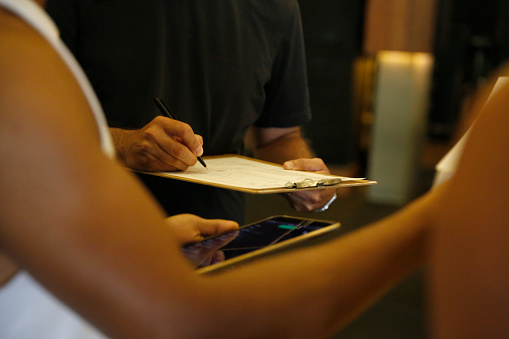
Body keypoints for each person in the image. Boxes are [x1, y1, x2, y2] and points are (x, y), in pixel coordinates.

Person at [1, 1, 508, 338]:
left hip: (199, 243)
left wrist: (298, 175)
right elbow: (183, 319)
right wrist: (444, 215)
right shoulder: (18, 57)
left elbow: (280, 133)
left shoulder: (275, 8)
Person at [44, 0, 337, 224]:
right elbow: (35, 128)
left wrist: (305, 179)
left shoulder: (277, 7)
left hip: (220, 237)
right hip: (95, 231)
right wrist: (123, 145)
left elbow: (280, 135)